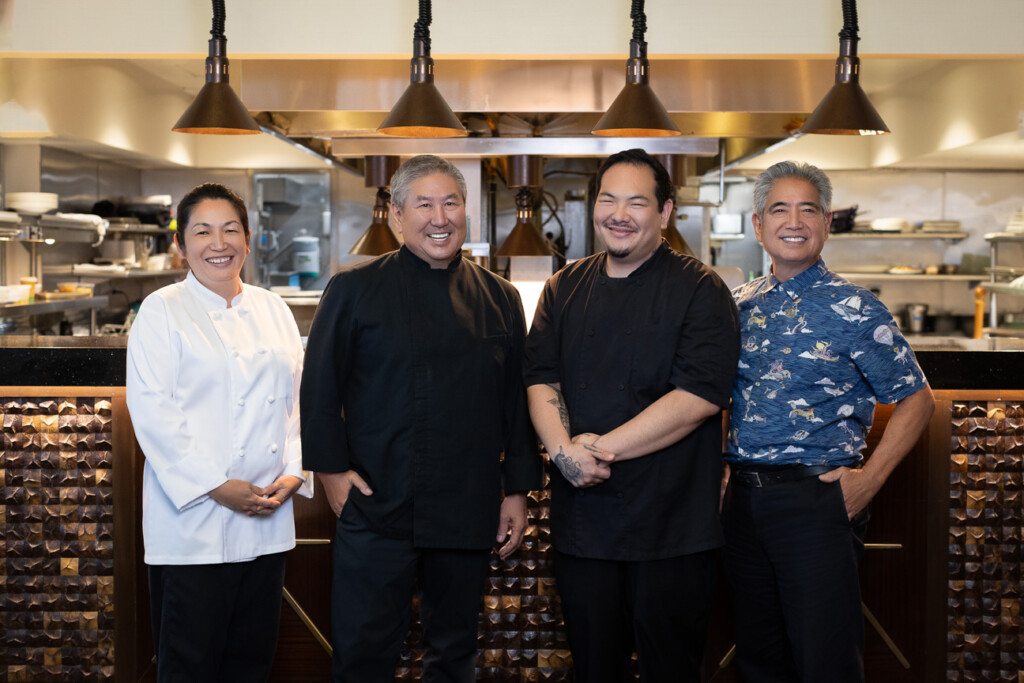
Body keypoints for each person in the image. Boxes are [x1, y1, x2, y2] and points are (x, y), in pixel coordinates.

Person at [300, 154, 542, 683]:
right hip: (377, 503)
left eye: (451, 202)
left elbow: (517, 404)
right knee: (363, 651)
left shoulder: (500, 298)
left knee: (454, 652)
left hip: (465, 505)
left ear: (467, 212)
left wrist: (517, 490)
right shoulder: (354, 289)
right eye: (424, 204)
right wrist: (331, 471)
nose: (440, 217)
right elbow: (320, 388)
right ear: (397, 216)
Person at [523, 148, 741, 682]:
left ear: (665, 212)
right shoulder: (564, 286)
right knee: (595, 669)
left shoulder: (701, 288)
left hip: (673, 524)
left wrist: (596, 450)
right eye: (608, 199)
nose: (619, 214)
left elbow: (698, 396)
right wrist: (561, 451)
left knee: (671, 670)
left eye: (637, 202)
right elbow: (540, 377)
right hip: (585, 523)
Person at [723, 160, 936, 682]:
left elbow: (917, 399)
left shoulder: (857, 309)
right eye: (779, 209)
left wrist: (868, 482)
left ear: (827, 221)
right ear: (757, 225)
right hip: (742, 504)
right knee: (758, 656)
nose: (793, 221)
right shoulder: (736, 305)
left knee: (826, 662)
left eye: (807, 209)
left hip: (815, 500)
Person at [126, 182, 312, 682]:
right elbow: (154, 414)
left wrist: (294, 471)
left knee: (251, 662)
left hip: (266, 515)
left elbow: (297, 402)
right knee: (189, 665)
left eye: (231, 229)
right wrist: (216, 486)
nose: (219, 242)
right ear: (181, 246)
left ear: (248, 241)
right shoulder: (162, 310)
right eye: (203, 231)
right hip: (193, 525)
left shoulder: (273, 308)